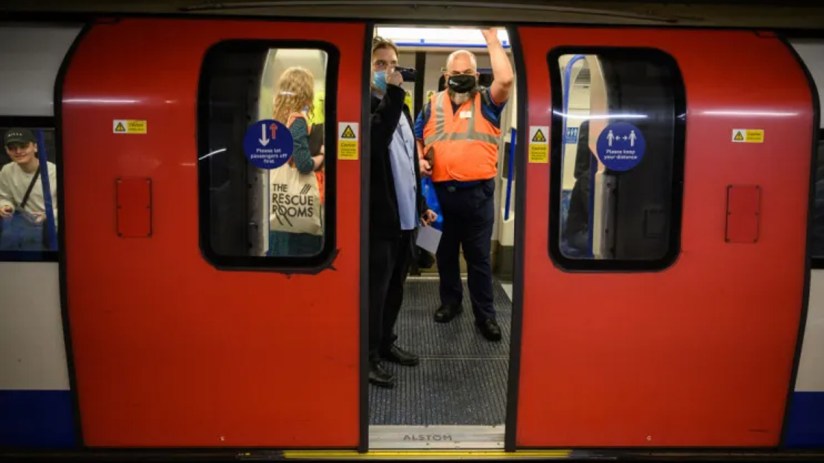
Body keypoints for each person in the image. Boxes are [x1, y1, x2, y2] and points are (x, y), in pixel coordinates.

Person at [414, 28, 514, 342]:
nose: (460, 77)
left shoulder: (487, 101)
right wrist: (419, 159)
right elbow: (417, 137)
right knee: (445, 255)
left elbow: (507, 80)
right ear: (445, 75)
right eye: (455, 73)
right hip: (441, 196)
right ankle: (450, 303)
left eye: (467, 72)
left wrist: (492, 39)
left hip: (478, 195)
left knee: (479, 258)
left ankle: (485, 316)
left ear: (476, 74)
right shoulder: (432, 105)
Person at [369, 36, 437, 388]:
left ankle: (385, 343)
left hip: (406, 217)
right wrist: (393, 94)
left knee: (396, 288)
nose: (389, 71)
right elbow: (374, 142)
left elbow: (409, 161)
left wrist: (422, 205)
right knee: (375, 293)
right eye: (381, 64)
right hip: (379, 222)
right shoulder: (364, 106)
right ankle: (367, 358)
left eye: (393, 64)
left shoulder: (403, 109)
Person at [267, 66, 325, 256]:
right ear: (306, 91)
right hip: (298, 226)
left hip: (280, 212)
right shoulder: (297, 120)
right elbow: (303, 164)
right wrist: (322, 156)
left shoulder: (277, 120)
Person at [0, 128, 58, 250]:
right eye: (12, 148)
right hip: (22, 229)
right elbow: (4, 197)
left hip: (51, 229)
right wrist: (6, 206)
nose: (18, 151)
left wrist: (49, 215)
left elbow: (72, 207)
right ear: (7, 151)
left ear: (35, 147)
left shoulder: (54, 172)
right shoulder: (7, 171)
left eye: (23, 146)